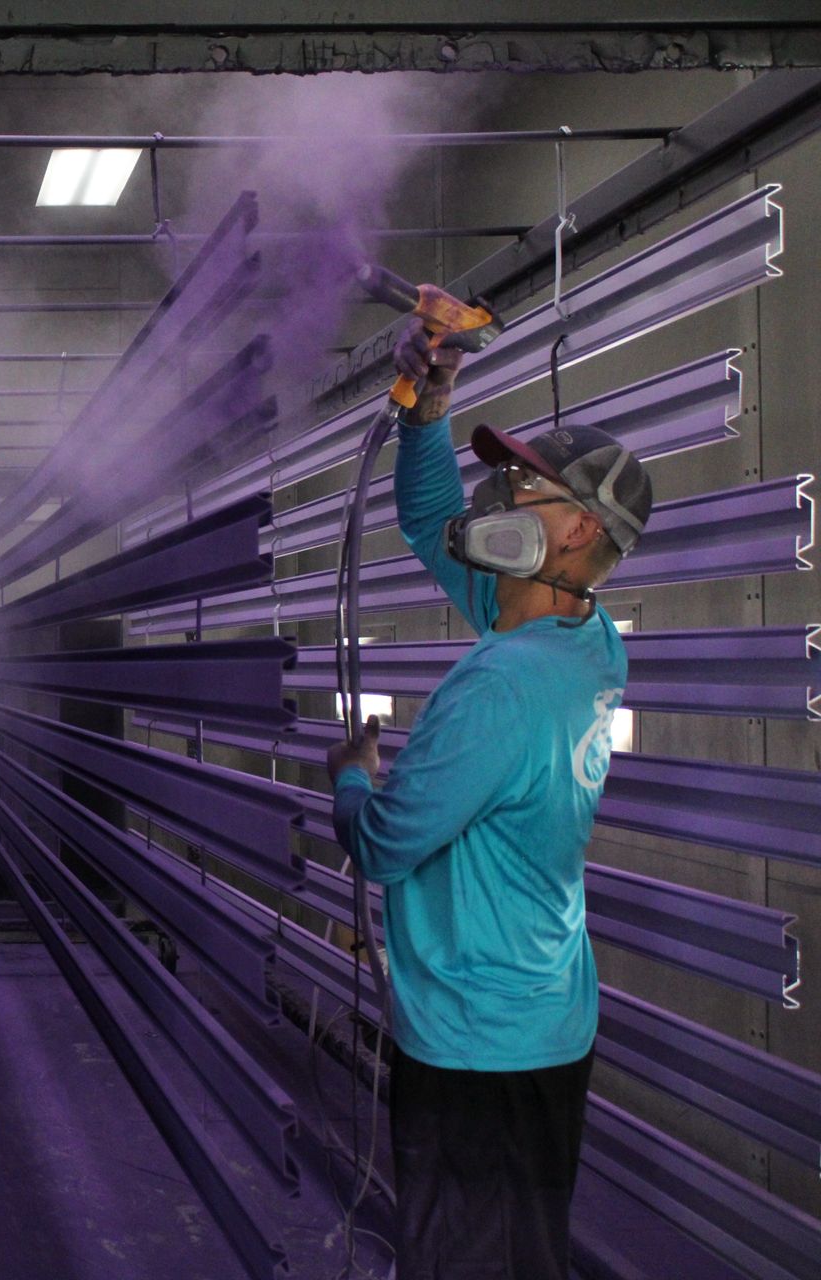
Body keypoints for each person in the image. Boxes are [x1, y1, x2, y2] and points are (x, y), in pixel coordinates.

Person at [325, 318, 653, 1280]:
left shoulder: (501, 686)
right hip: (541, 1016)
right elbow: (433, 519)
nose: (496, 496)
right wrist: (432, 402)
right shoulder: (580, 637)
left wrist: (350, 776)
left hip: (477, 1044)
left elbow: (382, 844)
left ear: (583, 527)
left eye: (523, 487)